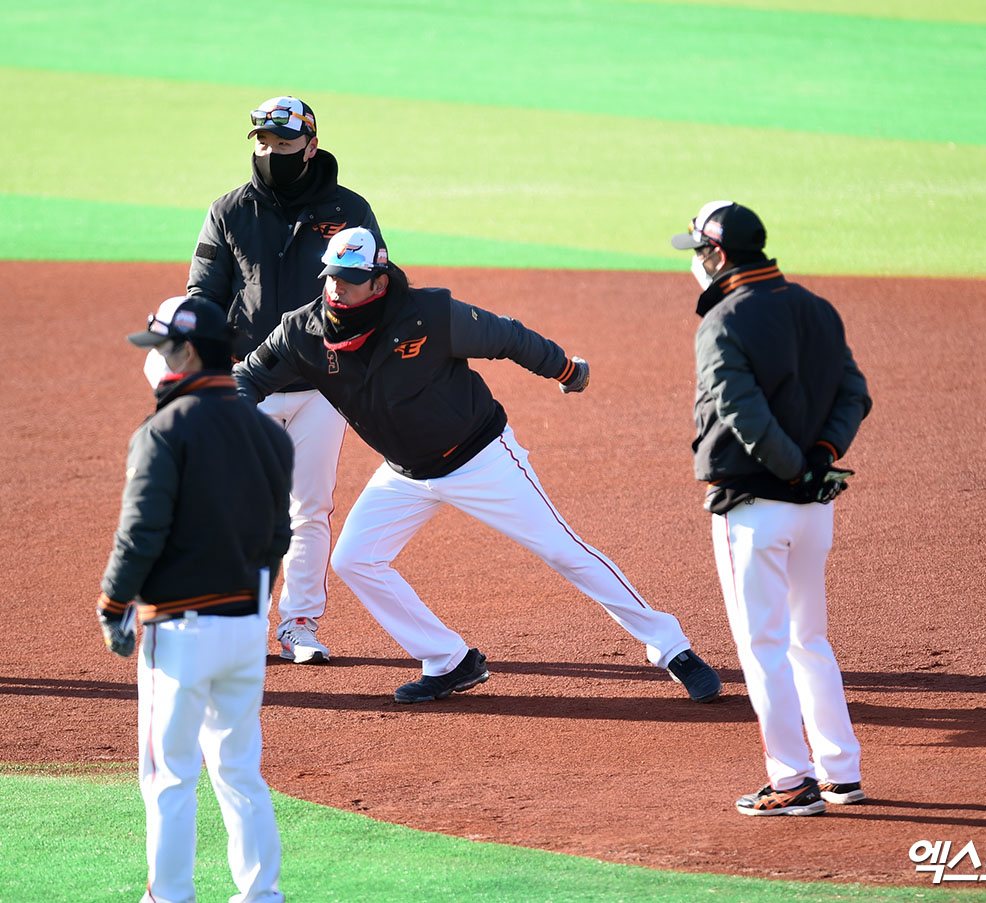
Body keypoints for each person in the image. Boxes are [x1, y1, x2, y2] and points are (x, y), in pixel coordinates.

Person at [232, 225, 723, 705]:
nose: (335, 288)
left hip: (479, 458)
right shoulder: (303, 330)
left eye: (349, 278)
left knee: (562, 549)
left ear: (379, 281)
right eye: (330, 276)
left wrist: (565, 369)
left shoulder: (427, 315)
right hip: (405, 474)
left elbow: (506, 337)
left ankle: (672, 648)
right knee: (355, 559)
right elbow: (250, 375)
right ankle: (448, 660)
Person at [671, 201, 870, 816]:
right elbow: (854, 394)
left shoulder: (724, 319)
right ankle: (841, 771)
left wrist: (791, 466)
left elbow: (742, 410)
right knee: (810, 639)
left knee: (764, 648)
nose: (697, 264)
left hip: (754, 506)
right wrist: (819, 459)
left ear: (720, 254)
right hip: (814, 507)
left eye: (700, 252)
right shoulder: (816, 307)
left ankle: (791, 780)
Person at [97, 297, 293, 903]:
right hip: (244, 625)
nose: (153, 360)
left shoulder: (163, 431)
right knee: (239, 772)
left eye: (159, 347)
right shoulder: (267, 432)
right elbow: (279, 539)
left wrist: (113, 604)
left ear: (185, 351)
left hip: (178, 632)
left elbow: (140, 534)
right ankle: (262, 896)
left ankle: (170, 898)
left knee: (169, 777)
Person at [185, 95, 380, 664]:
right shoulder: (229, 211)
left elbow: (375, 284)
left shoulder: (350, 210)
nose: (271, 153)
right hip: (248, 380)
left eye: (284, 144)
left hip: (323, 385)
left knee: (310, 507)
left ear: (311, 146)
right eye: (263, 143)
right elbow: (204, 294)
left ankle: (299, 623)